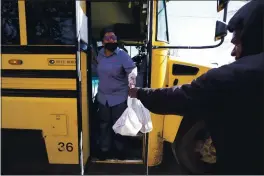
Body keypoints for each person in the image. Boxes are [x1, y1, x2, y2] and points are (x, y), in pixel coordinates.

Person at [129, 1, 264, 174]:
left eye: (237, 43)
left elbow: (176, 99)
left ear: (253, 38)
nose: (232, 52)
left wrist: (139, 92)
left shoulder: (228, 78)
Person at [96, 28, 137, 160]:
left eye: (113, 37)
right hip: (103, 98)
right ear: (102, 42)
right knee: (104, 125)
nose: (111, 40)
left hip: (119, 98)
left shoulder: (122, 55)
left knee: (119, 125)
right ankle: (104, 150)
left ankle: (120, 151)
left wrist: (132, 89)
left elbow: (132, 71)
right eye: (108, 38)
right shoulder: (99, 54)